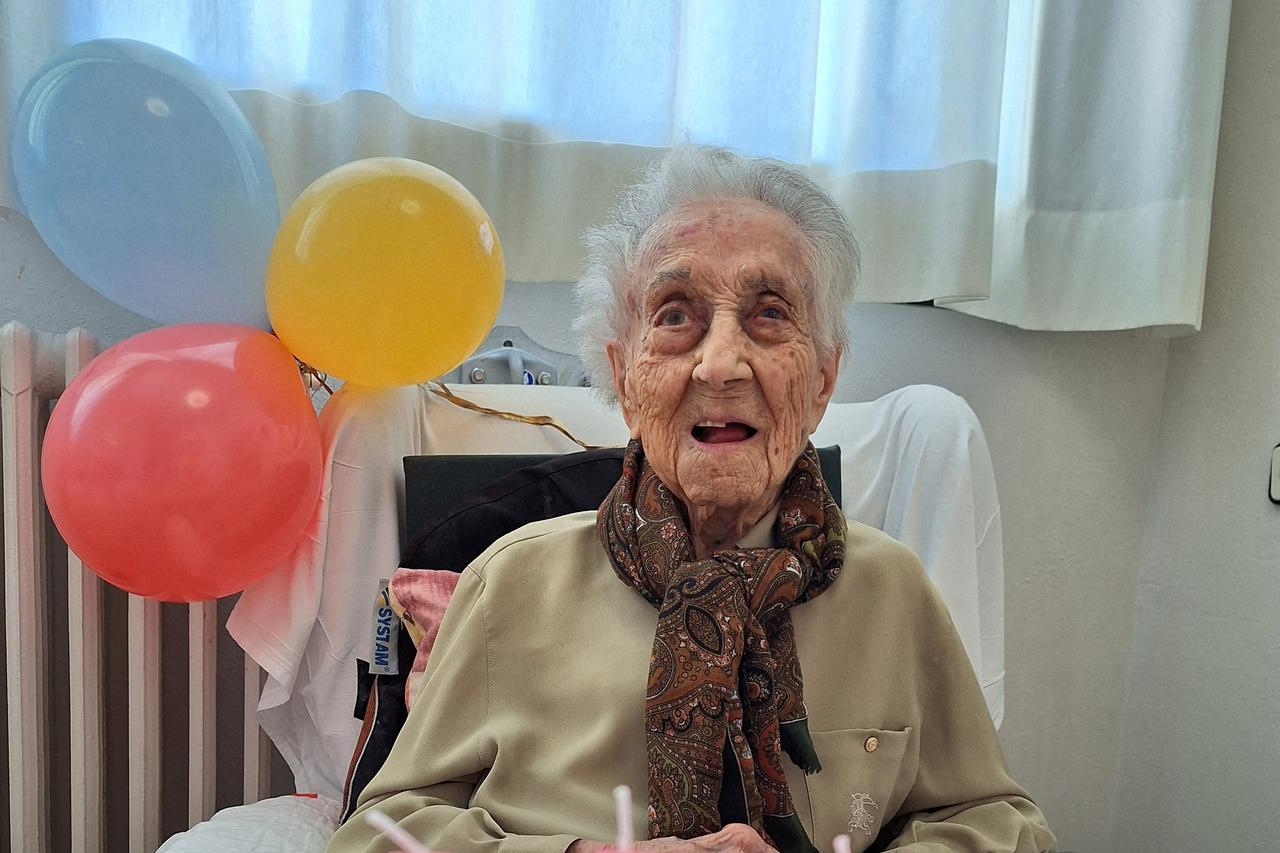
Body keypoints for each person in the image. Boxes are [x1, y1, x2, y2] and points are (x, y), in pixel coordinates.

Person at [326, 147, 1057, 853]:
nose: (720, 362)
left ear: (824, 379)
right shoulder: (508, 584)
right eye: (676, 315)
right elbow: (378, 832)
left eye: (770, 312)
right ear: (623, 374)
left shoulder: (892, 592)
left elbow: (997, 821)